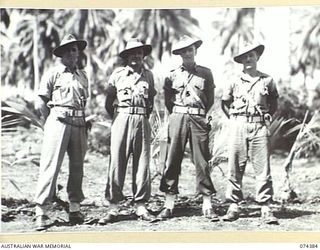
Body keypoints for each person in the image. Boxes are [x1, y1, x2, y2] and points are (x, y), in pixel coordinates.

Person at [158, 35, 218, 221]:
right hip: (178, 116)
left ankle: (207, 204)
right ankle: (168, 204)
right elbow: (168, 100)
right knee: (172, 158)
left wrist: (198, 113)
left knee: (202, 160)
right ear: (179, 54)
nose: (187, 53)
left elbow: (210, 97)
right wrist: (179, 114)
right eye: (183, 51)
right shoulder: (172, 75)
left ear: (195, 51)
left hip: (198, 117)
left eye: (190, 49)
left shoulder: (206, 73)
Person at [99, 38, 157, 224]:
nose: (136, 55)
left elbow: (151, 102)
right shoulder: (118, 74)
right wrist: (118, 118)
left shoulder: (148, 76)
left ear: (143, 55)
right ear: (126, 56)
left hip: (142, 120)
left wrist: (142, 117)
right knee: (117, 162)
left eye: (139, 52)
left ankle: (141, 205)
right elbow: (108, 102)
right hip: (122, 118)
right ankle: (113, 207)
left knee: (142, 163)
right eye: (132, 53)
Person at [34, 34, 89, 230]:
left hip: (79, 123)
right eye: (68, 50)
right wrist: (53, 120)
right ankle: (41, 211)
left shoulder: (83, 75)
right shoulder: (53, 73)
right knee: (51, 166)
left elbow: (84, 101)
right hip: (58, 121)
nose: (72, 53)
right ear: (62, 54)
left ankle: (74, 209)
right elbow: (42, 102)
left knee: (77, 168)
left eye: (75, 49)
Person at [221, 42, 279, 224]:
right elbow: (225, 103)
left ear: (257, 57)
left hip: (259, 126)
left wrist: (266, 116)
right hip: (238, 124)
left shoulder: (267, 80)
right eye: (244, 57)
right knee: (235, 166)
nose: (248, 59)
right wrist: (235, 120)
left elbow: (274, 103)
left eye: (251, 55)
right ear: (240, 60)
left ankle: (265, 206)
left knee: (262, 168)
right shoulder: (233, 80)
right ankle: (234, 205)